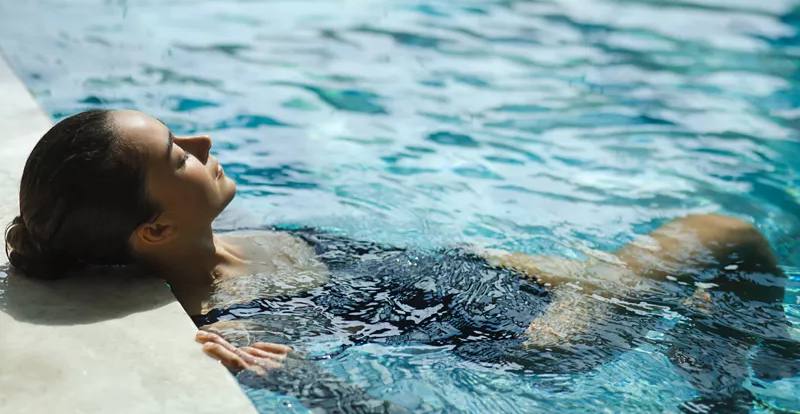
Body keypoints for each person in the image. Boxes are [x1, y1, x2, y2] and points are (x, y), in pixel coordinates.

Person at [4, 109, 798, 412]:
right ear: (149, 232)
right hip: (538, 342)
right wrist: (296, 380)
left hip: (497, 280)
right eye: (178, 155)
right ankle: (757, 378)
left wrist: (563, 267)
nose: (203, 144)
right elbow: (378, 412)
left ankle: (726, 389)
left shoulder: (248, 240)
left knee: (706, 295)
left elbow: (410, 265)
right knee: (725, 233)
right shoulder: (235, 318)